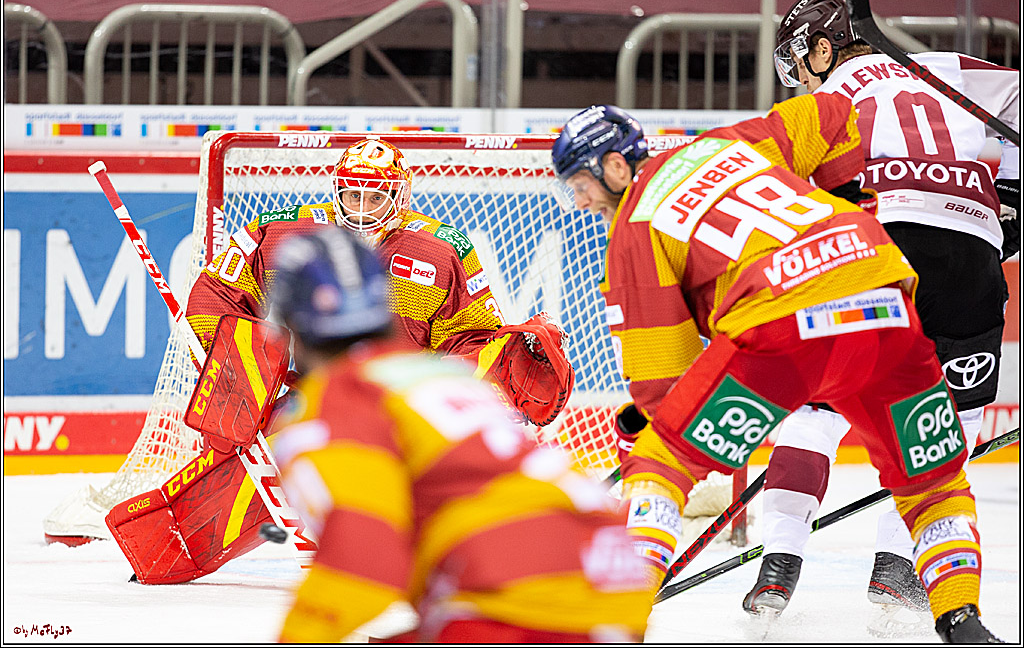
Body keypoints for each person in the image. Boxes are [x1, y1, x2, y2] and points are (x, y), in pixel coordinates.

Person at [550, 100, 1003, 643]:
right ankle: (962, 621)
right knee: (934, 479)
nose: (579, 201)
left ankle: (616, 625)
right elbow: (834, 114)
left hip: (782, 329)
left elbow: (661, 380)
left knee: (659, 464)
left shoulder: (633, 228)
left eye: (580, 183)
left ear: (616, 167)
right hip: (883, 302)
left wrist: (650, 433)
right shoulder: (729, 141)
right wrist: (844, 199)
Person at [744, 0, 1020, 635]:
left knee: (813, 408)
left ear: (821, 48)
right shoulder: (947, 70)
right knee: (942, 429)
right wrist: (1007, 197)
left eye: (798, 62)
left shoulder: (828, 100)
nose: (796, 79)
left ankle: (779, 560)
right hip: (967, 259)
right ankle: (899, 570)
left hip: (877, 251)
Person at [266, 226, 651, 643]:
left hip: (520, 602)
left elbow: (364, 563)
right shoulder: (446, 373)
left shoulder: (336, 402)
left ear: (290, 319)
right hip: (619, 578)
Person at [187, 137, 574, 428]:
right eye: (352, 196)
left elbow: (468, 339)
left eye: (374, 199)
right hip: (301, 400)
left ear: (400, 197)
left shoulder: (443, 251)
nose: (360, 210)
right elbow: (217, 294)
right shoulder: (283, 232)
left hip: (401, 408)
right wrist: (235, 372)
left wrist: (481, 387)